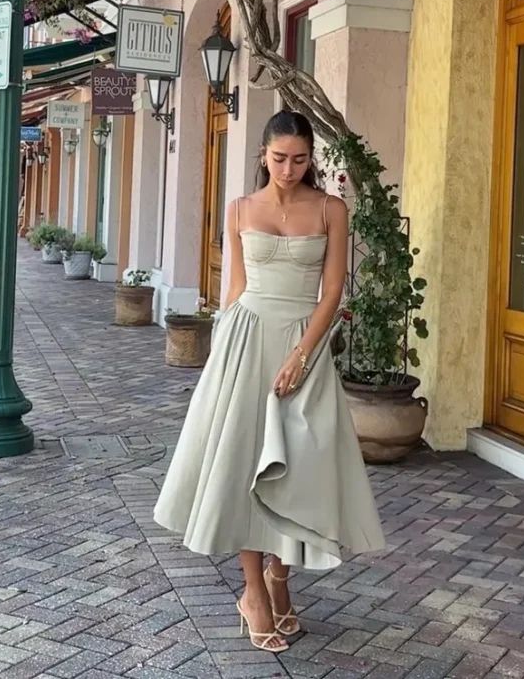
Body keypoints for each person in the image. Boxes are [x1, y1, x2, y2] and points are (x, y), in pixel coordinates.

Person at [154, 110, 385, 653]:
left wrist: (304, 355)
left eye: (301, 159)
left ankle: (282, 578)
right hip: (244, 343)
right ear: (263, 154)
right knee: (241, 462)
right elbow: (235, 288)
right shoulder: (238, 209)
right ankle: (253, 591)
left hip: (303, 343)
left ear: (312, 159)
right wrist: (220, 360)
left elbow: (332, 294)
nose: (289, 169)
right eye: (279, 158)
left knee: (301, 465)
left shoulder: (332, 209)